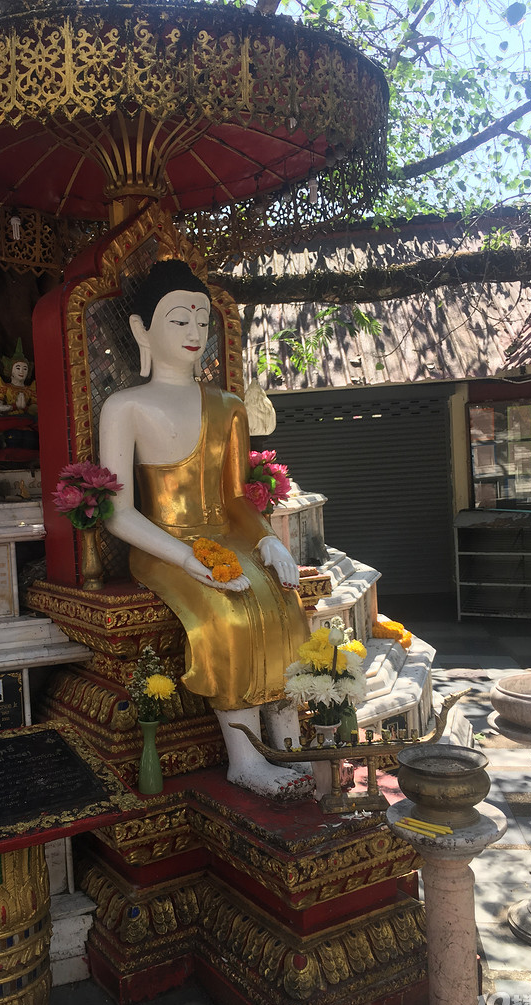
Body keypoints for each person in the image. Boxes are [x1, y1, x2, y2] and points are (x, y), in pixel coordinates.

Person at [98, 260, 312, 799]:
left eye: (201, 320)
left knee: (286, 606)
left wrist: (268, 539)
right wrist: (187, 558)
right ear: (141, 330)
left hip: (230, 535)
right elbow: (117, 512)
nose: (194, 331)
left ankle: (290, 747)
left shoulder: (227, 406)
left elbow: (235, 498)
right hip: (163, 543)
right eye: (179, 320)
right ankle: (245, 759)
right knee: (229, 614)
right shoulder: (125, 407)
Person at [0, 341, 38, 416]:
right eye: (18, 368)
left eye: (25, 369)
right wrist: (15, 406)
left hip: (26, 419)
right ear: (10, 370)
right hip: (10, 419)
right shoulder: (5, 388)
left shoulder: (30, 390)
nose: (21, 371)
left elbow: (36, 409)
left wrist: (26, 408)